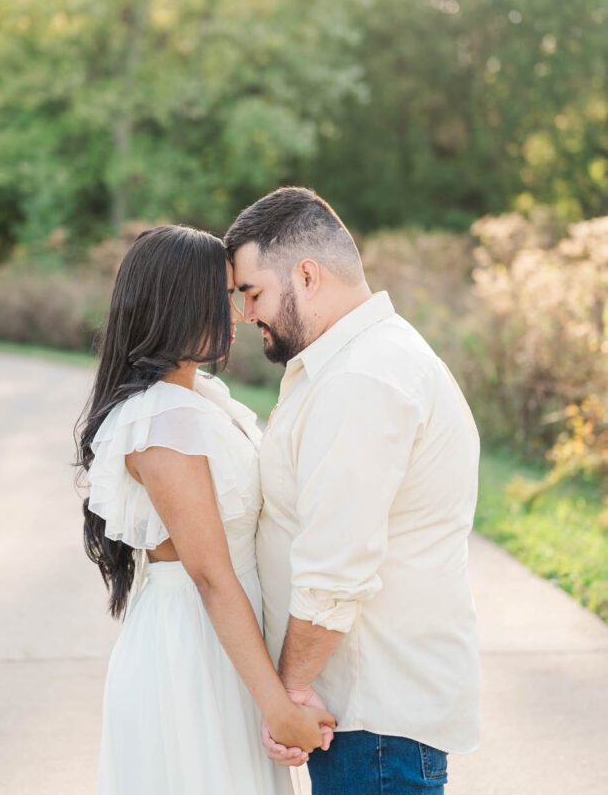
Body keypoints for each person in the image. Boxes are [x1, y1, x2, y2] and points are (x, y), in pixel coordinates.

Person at [224, 187, 480, 795]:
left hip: (373, 723)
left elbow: (335, 569)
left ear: (307, 275)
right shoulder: (348, 365)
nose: (244, 313)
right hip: (361, 722)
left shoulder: (364, 377)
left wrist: (285, 698)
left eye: (252, 292)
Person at [75, 224, 335, 795]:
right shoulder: (163, 419)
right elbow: (211, 576)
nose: (239, 314)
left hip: (229, 643)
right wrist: (277, 705)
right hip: (195, 649)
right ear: (177, 304)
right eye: (222, 298)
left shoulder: (200, 395)